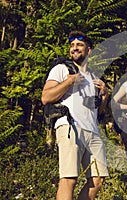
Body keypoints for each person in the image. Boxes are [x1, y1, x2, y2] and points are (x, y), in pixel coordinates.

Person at [41, 31, 109, 200]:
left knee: (98, 179)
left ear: (89, 50)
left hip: (92, 131)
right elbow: (46, 97)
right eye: (72, 46)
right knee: (69, 179)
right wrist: (69, 81)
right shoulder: (62, 69)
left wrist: (105, 96)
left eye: (79, 45)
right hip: (70, 126)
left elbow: (98, 112)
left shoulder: (93, 77)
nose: (74, 48)